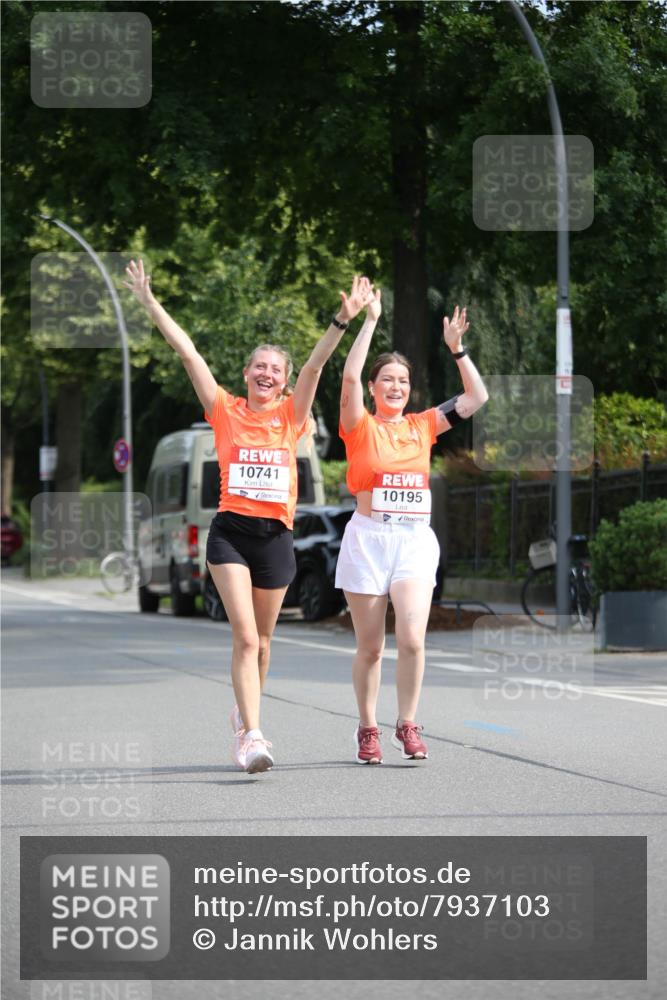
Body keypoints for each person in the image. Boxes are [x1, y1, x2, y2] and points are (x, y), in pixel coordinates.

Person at [126, 259, 372, 773]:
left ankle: (244, 712)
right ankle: (252, 738)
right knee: (242, 636)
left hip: (276, 538)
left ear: (283, 383)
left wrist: (341, 320)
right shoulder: (224, 409)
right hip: (230, 535)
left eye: (274, 370)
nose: (266, 374)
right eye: (258, 367)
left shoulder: (291, 416)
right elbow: (188, 352)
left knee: (263, 643)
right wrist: (151, 304)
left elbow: (315, 368)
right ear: (246, 375)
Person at [336, 285, 489, 764]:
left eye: (402, 380)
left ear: (410, 388)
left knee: (412, 638)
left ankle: (407, 722)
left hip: (413, 541)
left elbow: (476, 397)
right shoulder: (359, 425)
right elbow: (348, 378)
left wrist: (457, 350)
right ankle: (368, 728)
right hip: (368, 539)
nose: (395, 387)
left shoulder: (424, 424)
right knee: (372, 648)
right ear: (376, 388)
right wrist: (367, 321)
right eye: (387, 380)